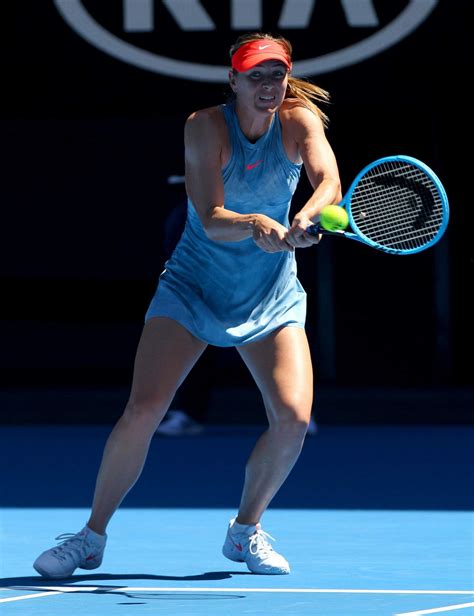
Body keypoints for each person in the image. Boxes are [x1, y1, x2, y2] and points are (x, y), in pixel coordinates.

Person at [33, 32, 341, 578]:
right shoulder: (204, 126)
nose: (267, 86)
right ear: (234, 81)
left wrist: (307, 217)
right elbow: (208, 213)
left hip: (271, 294)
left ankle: (245, 531)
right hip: (193, 287)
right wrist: (255, 223)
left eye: (276, 75)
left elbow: (329, 182)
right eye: (255, 76)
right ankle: (90, 537)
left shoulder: (299, 121)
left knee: (292, 420)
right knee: (143, 410)